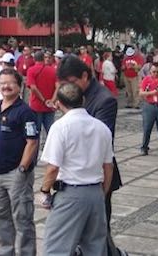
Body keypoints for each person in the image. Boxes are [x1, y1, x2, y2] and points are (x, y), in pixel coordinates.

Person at [39, 83, 114, 256]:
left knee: (56, 247)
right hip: (95, 192)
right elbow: (108, 167)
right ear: (84, 100)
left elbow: (52, 168)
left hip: (70, 193)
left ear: (58, 103)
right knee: (95, 247)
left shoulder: (60, 127)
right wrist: (102, 193)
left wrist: (45, 191)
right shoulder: (101, 128)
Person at [56, 56, 122, 239]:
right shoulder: (73, 96)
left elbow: (98, 140)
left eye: (71, 83)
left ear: (85, 76)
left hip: (96, 174)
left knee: (97, 232)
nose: (66, 89)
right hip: (72, 176)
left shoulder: (104, 100)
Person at [0, 68, 39, 256]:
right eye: (2, 83)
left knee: (23, 219)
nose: (6, 87)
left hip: (16, 174)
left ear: (19, 86)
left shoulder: (26, 112)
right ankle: (5, 252)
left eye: (10, 83)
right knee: (0, 216)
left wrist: (22, 169)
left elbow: (32, 143)